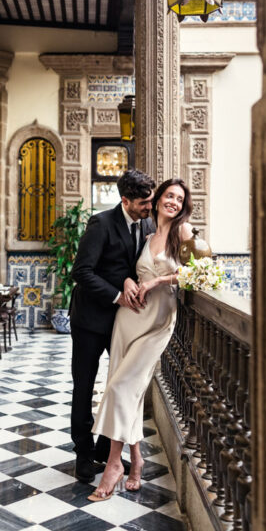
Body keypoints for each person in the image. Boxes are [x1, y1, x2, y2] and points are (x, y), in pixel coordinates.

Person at [87, 177, 193, 501]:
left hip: (159, 322)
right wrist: (131, 279)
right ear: (158, 198)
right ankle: (137, 460)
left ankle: (113, 463)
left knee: (122, 387)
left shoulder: (184, 232)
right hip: (128, 320)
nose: (173, 202)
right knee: (124, 388)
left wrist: (159, 280)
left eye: (179, 198)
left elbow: (200, 273)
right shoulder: (146, 234)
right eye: (169, 196)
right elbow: (125, 267)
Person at [70, 169, 156, 483]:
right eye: (145, 202)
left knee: (119, 385)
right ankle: (82, 453)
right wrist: (118, 293)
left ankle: (106, 450)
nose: (150, 207)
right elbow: (82, 271)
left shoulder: (148, 223)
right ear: (125, 201)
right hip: (90, 319)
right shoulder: (101, 223)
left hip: (124, 323)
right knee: (84, 385)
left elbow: (128, 265)